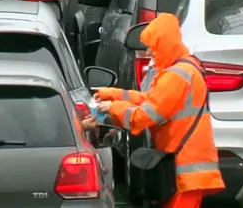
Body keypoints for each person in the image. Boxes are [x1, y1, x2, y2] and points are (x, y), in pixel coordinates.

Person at [94, 13, 225, 208]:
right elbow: (151, 99)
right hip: (186, 169)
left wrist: (114, 108)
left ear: (164, 43)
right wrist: (114, 94)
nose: (148, 52)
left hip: (184, 170)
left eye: (152, 46)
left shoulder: (175, 76)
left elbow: (146, 115)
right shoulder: (183, 69)